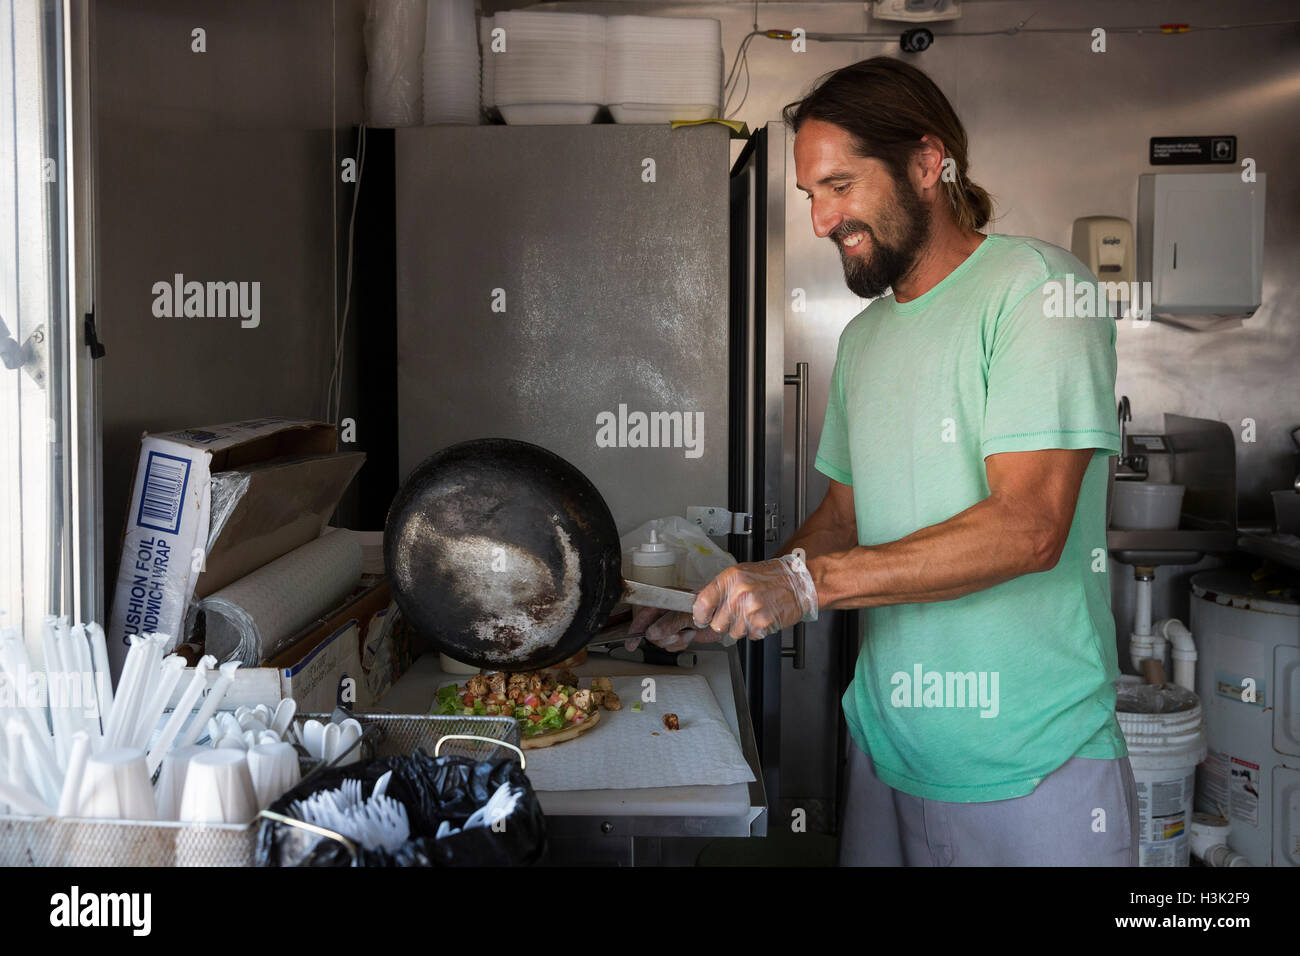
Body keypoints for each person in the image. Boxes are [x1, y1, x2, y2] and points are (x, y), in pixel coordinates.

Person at [628, 56, 1138, 866]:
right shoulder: (864, 340)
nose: (822, 220)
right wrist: (728, 603)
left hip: (1032, 768)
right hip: (888, 748)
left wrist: (804, 586)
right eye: (809, 197)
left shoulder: (1037, 293)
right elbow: (843, 520)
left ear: (928, 164)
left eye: (840, 186)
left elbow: (1029, 527)